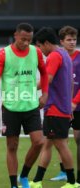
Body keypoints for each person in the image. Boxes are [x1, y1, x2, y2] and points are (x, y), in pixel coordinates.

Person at [0, 23, 48, 188]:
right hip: (10, 108)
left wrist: (45, 94)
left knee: (39, 142)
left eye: (29, 40)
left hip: (31, 106)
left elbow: (44, 73)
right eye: (23, 39)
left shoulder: (36, 52)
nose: (26, 43)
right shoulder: (3, 54)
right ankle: (13, 184)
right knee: (12, 146)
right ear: (15, 36)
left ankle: (24, 175)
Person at [29, 27, 77, 188]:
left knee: (61, 145)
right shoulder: (65, 55)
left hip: (55, 109)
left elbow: (46, 80)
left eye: (40, 46)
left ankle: (72, 182)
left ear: (47, 43)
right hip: (61, 108)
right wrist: (69, 107)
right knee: (47, 143)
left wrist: (25, 88)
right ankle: (37, 181)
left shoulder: (54, 56)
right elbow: (70, 83)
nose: (40, 50)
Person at [50, 26, 80, 182]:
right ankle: (64, 172)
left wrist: (74, 102)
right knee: (61, 140)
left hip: (77, 106)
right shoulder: (58, 57)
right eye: (69, 40)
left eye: (74, 39)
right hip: (61, 106)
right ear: (61, 41)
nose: (72, 42)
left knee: (78, 138)